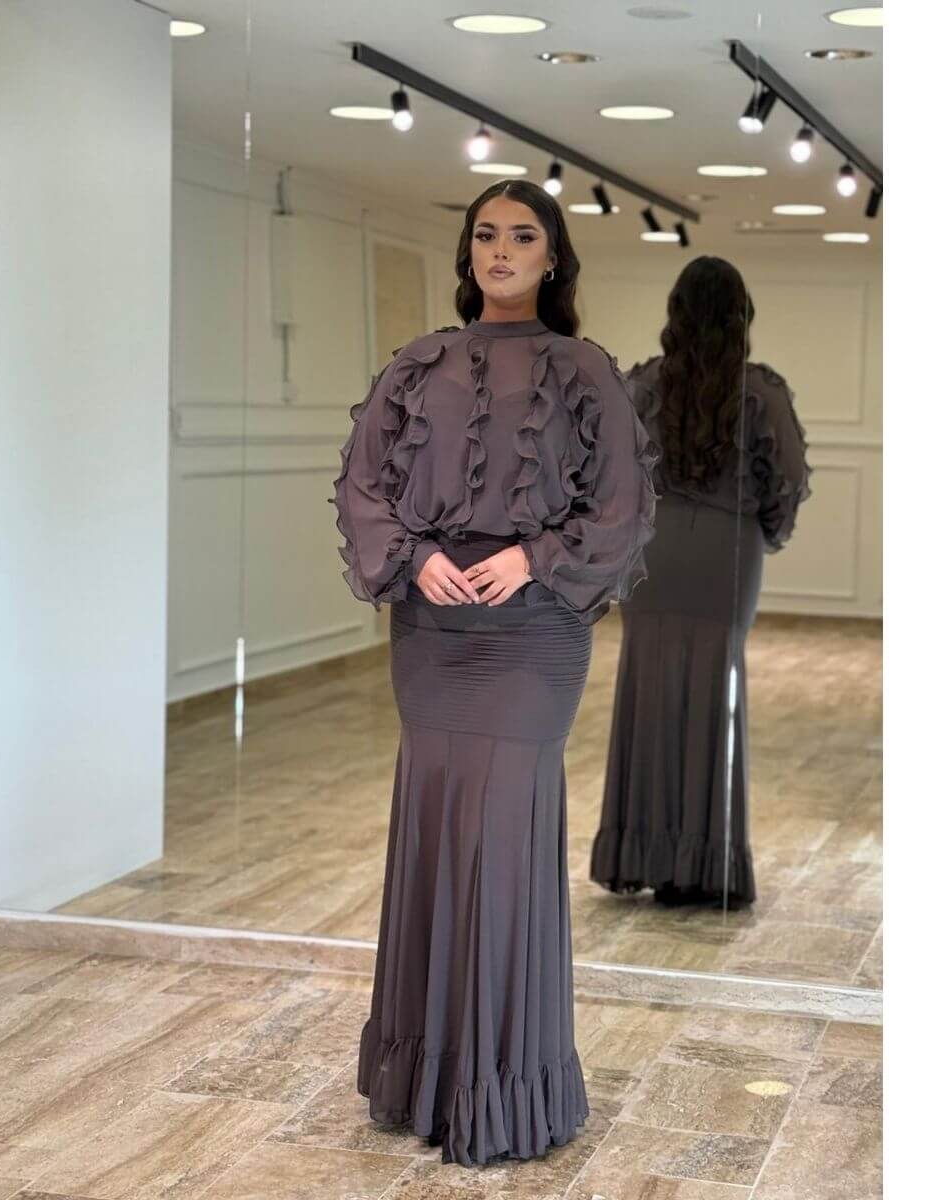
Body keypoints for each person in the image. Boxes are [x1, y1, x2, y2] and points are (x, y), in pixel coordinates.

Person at [331, 179, 657, 1166]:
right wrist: (414, 558)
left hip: (533, 633)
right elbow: (363, 486)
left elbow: (622, 506)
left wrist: (533, 557)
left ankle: (504, 1088)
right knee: (434, 821)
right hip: (432, 633)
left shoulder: (585, 370)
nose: (501, 250)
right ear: (468, 252)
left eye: (522, 236)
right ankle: (425, 1079)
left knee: (504, 833)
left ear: (553, 258)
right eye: (486, 234)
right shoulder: (416, 364)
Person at [589, 255, 811, 907]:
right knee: (717, 698)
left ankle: (644, 854)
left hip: (653, 557)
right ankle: (705, 867)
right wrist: (762, 530)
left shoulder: (642, 385)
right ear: (742, 316)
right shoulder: (761, 392)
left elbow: (612, 474)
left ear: (676, 314)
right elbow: (788, 481)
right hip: (726, 557)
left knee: (647, 694)